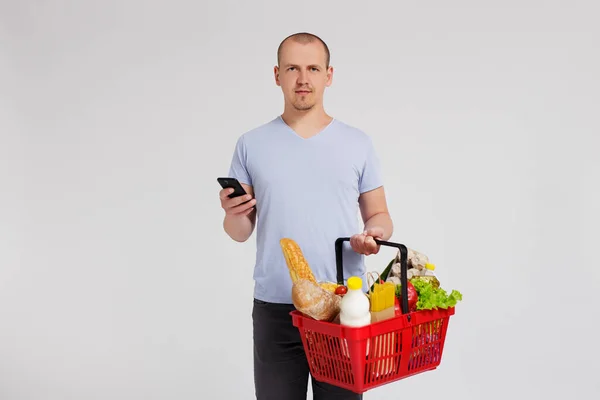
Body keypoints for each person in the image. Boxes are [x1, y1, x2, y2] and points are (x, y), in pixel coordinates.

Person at [218, 32, 394, 400]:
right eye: (292, 68)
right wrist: (232, 213)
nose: (303, 78)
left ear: (328, 75)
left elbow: (378, 214)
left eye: (313, 68)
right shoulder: (251, 144)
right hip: (276, 307)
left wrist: (372, 234)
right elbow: (240, 231)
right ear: (277, 75)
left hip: (342, 306)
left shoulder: (356, 142)